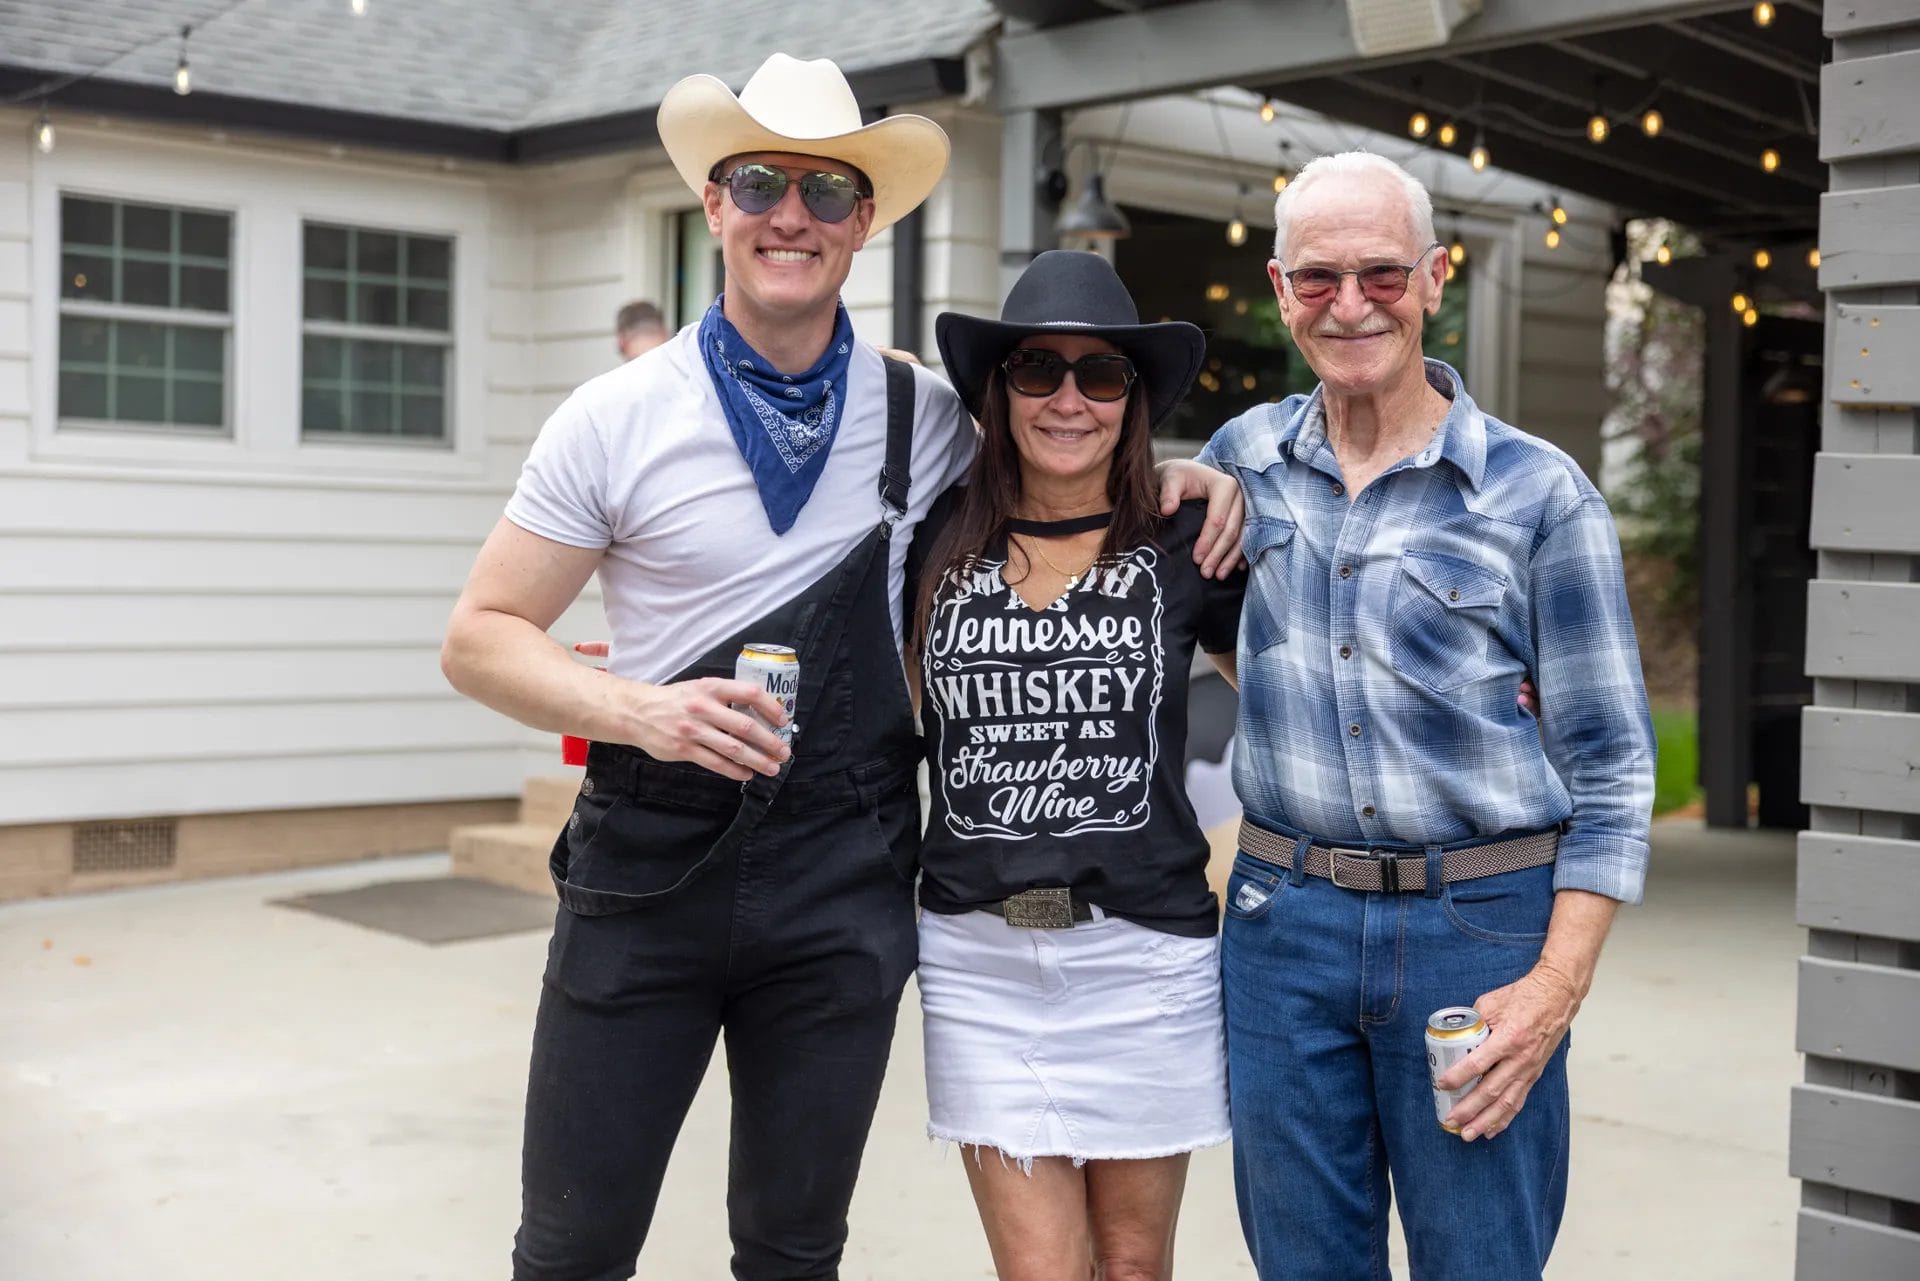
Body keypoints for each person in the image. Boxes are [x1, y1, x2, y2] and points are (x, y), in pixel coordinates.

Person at [438, 52, 1243, 1281]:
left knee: (795, 1246)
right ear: (714, 204)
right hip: (648, 865)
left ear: (864, 221)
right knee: (573, 1244)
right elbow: (480, 636)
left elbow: (1071, 432)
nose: (790, 215)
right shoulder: (613, 417)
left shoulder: (924, 414)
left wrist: (1188, 476)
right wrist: (637, 710)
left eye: (825, 190)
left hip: (842, 870)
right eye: (759, 182)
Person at [1199, 149, 1657, 1281]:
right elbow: (1210, 626)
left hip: (1479, 928)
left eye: (1381, 274)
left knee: (1480, 1262)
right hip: (1281, 923)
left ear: (1436, 276)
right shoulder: (1238, 463)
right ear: (1278, 290)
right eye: (1318, 279)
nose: (1350, 304)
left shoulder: (1542, 496)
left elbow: (1612, 768)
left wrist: (1554, 990)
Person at [907, 250, 1243, 1281]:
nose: (1068, 399)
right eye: (1036, 371)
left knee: (1135, 1268)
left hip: (1144, 958)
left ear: (1133, 400)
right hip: (980, 958)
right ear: (995, 392)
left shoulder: (1190, 536)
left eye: (1101, 375)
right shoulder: (933, 538)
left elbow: (1302, 695)